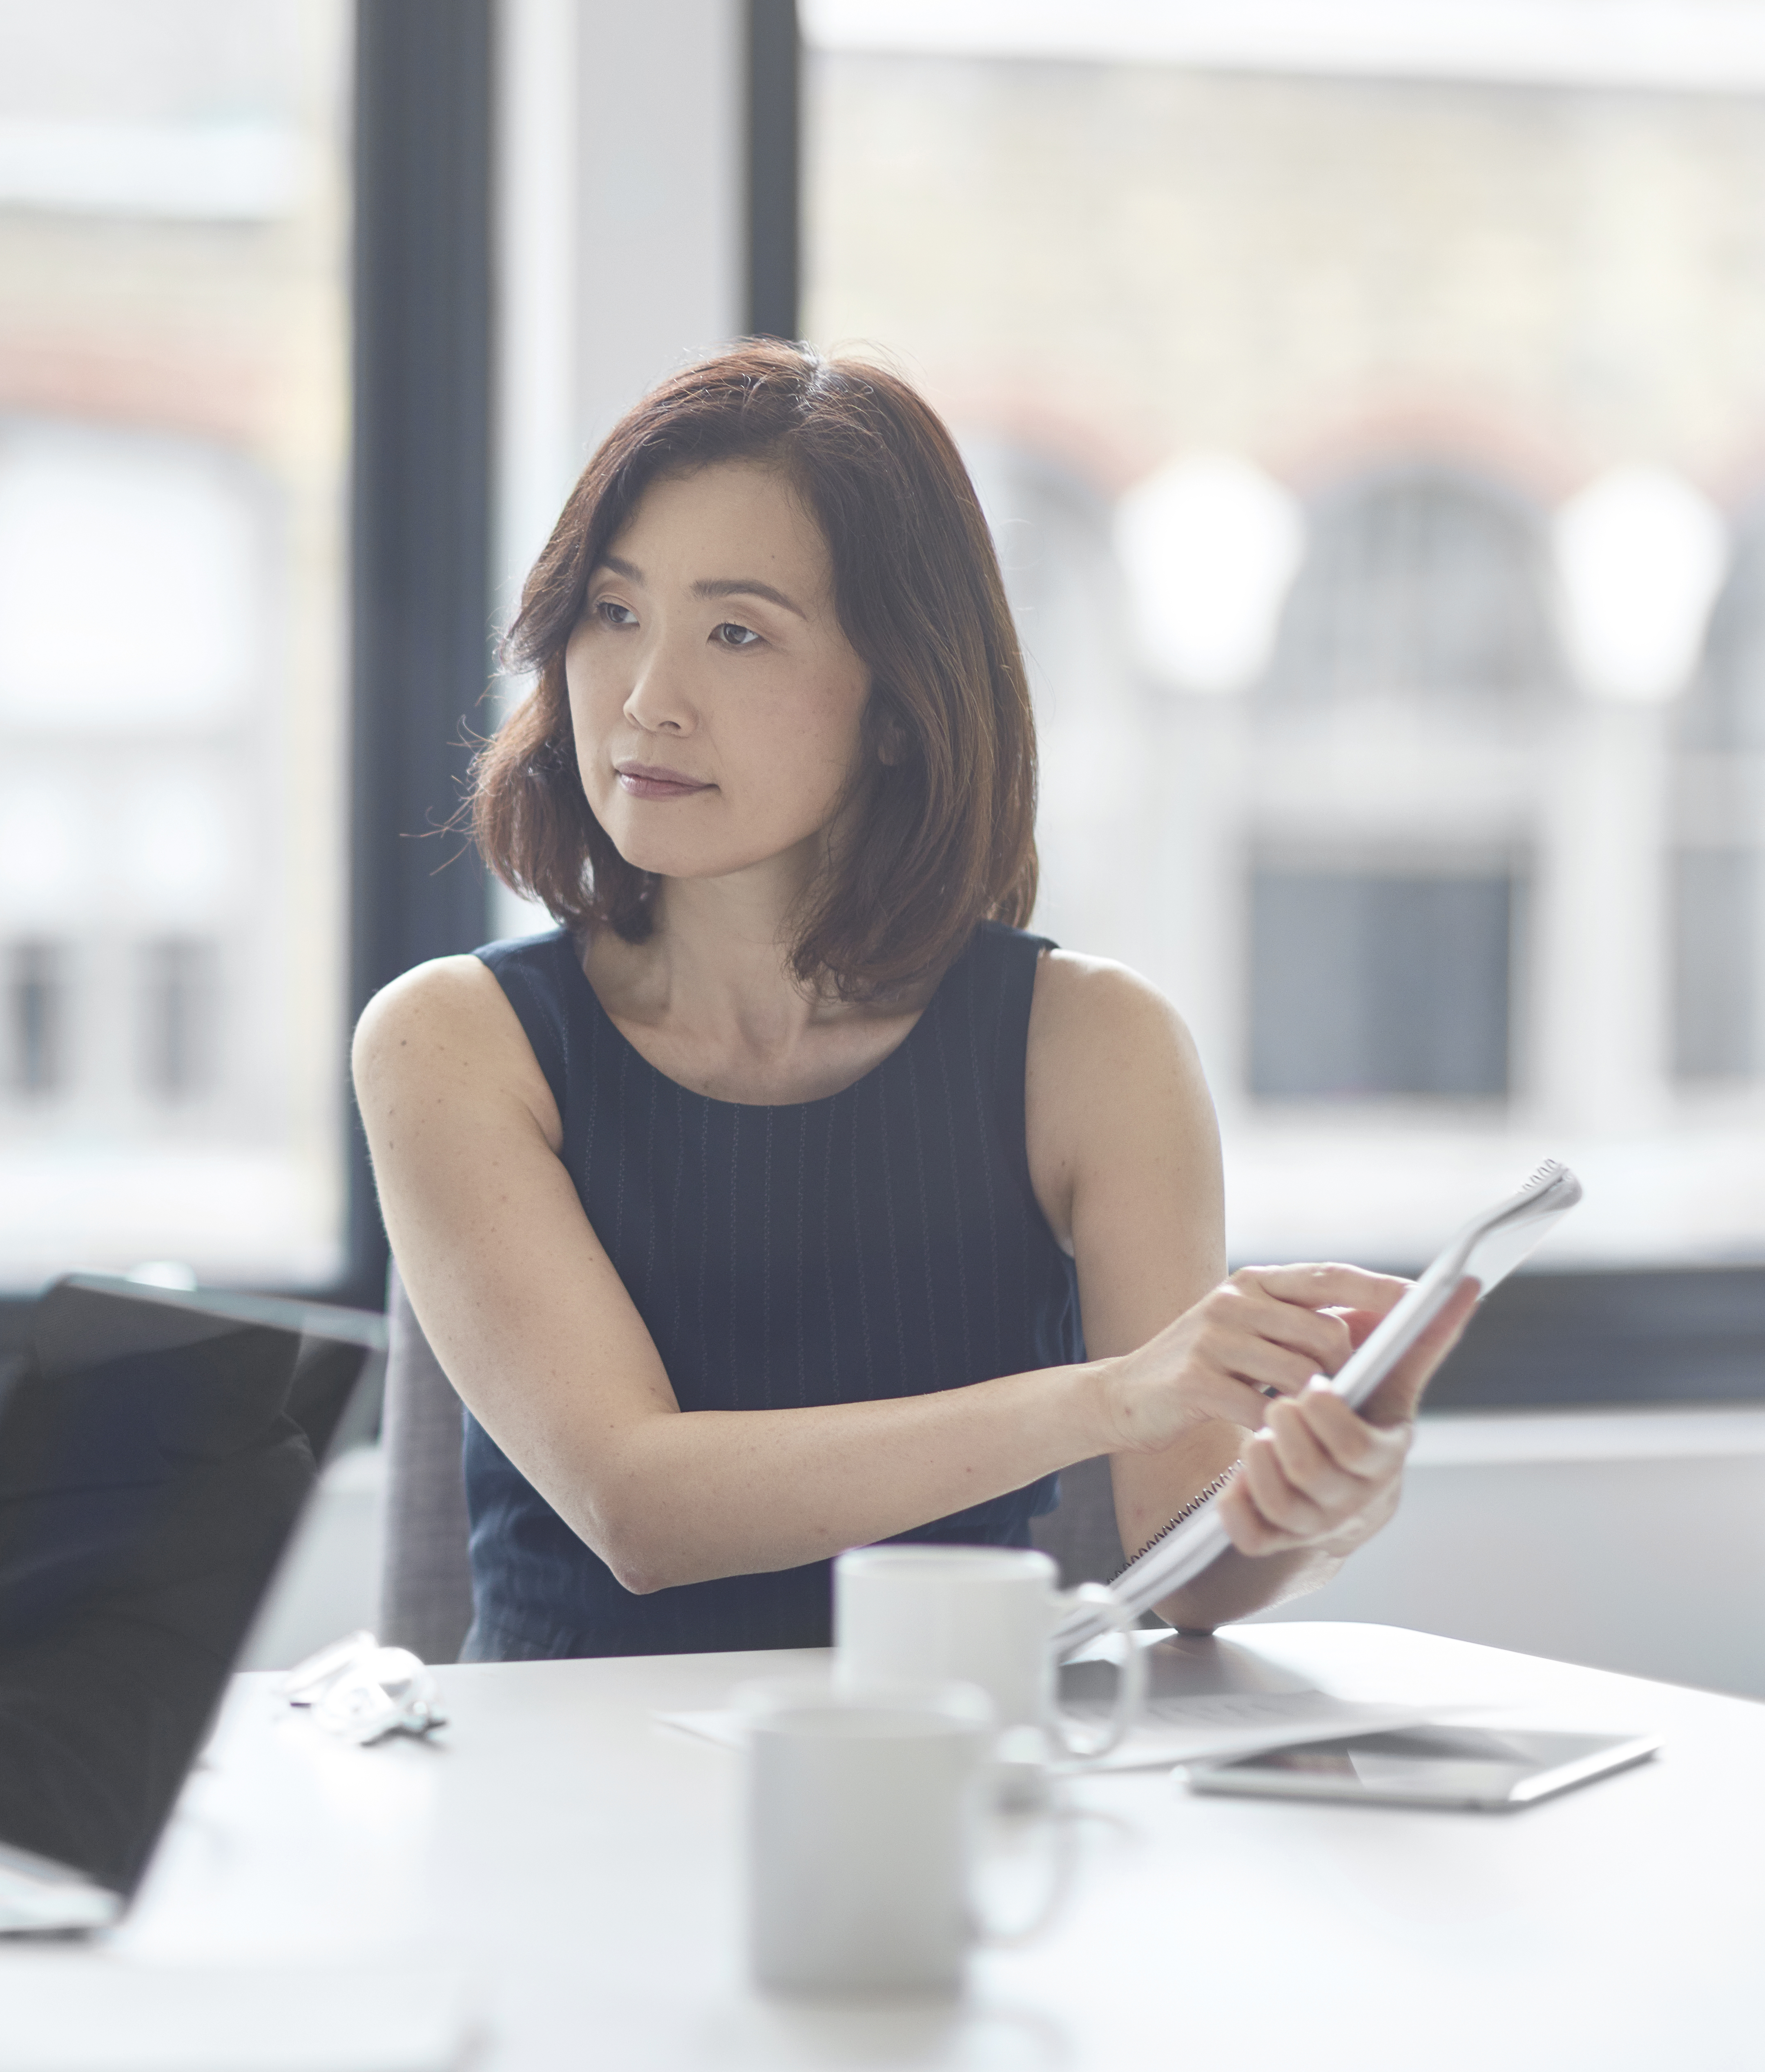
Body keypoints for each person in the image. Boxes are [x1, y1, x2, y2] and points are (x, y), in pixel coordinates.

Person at [353, 343, 1483, 1659]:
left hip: (953, 1781)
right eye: (613, 613)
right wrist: (1111, 1398)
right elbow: (637, 1507)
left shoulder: (1093, 1047)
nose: (646, 701)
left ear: (897, 704)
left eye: (736, 631)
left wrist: (1319, 1503)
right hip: (569, 1813)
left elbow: (1189, 1565)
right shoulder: (452, 1041)